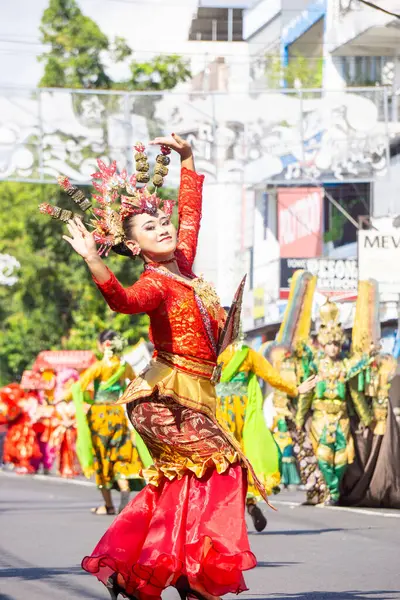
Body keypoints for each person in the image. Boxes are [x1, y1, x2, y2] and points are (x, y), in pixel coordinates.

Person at [53, 134, 312, 600]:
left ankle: (148, 572)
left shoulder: (184, 264)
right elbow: (123, 301)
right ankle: (186, 572)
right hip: (162, 399)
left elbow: (191, 212)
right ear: (134, 247)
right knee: (225, 465)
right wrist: (94, 261)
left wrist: (188, 158)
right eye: (149, 229)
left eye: (160, 221)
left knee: (182, 484)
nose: (162, 228)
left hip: (195, 394)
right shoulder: (154, 284)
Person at [216, 336, 312, 532]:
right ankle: (249, 504)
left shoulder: (210, 354)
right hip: (244, 415)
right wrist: (295, 389)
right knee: (247, 461)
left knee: (221, 464)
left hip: (218, 416)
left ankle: (225, 512)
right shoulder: (247, 354)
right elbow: (272, 376)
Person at [295, 299, 373, 506]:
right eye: (329, 344)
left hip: (342, 419)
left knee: (341, 458)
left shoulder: (346, 366)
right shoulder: (315, 365)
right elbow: (306, 395)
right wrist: (299, 418)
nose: (333, 348)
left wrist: (366, 417)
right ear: (323, 344)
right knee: (323, 456)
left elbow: (355, 395)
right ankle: (332, 491)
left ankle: (335, 491)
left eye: (336, 344)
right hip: (320, 418)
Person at [67, 330, 143, 515]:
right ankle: (124, 487)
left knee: (102, 458)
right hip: (117, 414)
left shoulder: (98, 367)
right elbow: (136, 385)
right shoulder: (124, 367)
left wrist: (70, 399)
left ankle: (108, 505)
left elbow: (78, 387)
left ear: (103, 345)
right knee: (120, 454)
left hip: (100, 416)